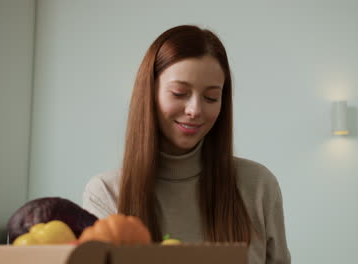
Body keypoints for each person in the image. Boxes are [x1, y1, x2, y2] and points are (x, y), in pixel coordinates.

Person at [82, 25, 291, 264]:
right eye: (179, 93)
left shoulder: (257, 185)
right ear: (149, 92)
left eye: (211, 97)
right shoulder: (107, 193)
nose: (195, 110)